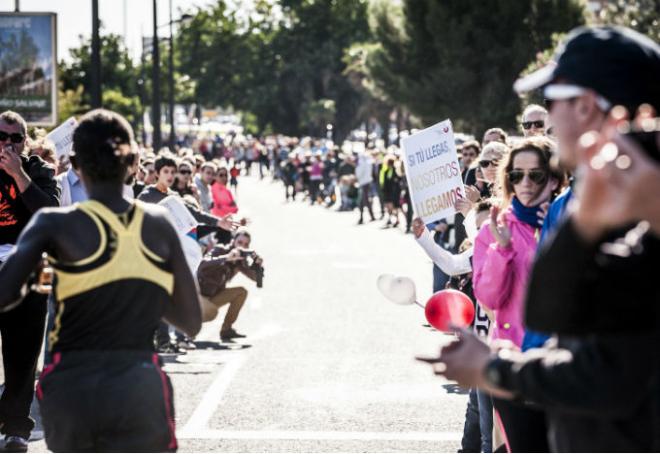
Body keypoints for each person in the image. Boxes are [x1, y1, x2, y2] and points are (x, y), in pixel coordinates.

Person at [421, 25, 660, 452]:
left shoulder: (644, 214)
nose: (547, 118)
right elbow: (550, 314)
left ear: (587, 107)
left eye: (553, 100)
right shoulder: (610, 201)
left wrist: (494, 369)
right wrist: (584, 218)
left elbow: (608, 375)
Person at [0, 109, 201, 452]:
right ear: (135, 162)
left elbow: (4, 294)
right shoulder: (157, 224)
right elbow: (190, 321)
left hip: (72, 388)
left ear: (75, 165)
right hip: (139, 385)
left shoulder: (53, 224)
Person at [0, 110, 60, 452]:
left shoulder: (37, 170)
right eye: (1, 137)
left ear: (25, 142)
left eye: (15, 138)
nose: (7, 144)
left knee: (23, 353)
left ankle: (16, 429)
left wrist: (18, 174)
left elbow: (48, 211)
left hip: (29, 267)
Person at [197, 230, 263, 342]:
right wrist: (226, 257)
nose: (242, 246)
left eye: (246, 244)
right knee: (211, 313)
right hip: (199, 296)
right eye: (240, 242)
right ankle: (185, 329)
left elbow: (258, 281)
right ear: (233, 241)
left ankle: (226, 330)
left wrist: (258, 267)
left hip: (214, 296)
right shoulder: (220, 249)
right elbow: (203, 264)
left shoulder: (240, 261)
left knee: (241, 292)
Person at [355, 152, 375, 225]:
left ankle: (365, 217)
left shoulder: (362, 164)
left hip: (363, 184)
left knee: (363, 201)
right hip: (368, 183)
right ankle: (367, 216)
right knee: (365, 200)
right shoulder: (368, 163)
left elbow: (358, 174)